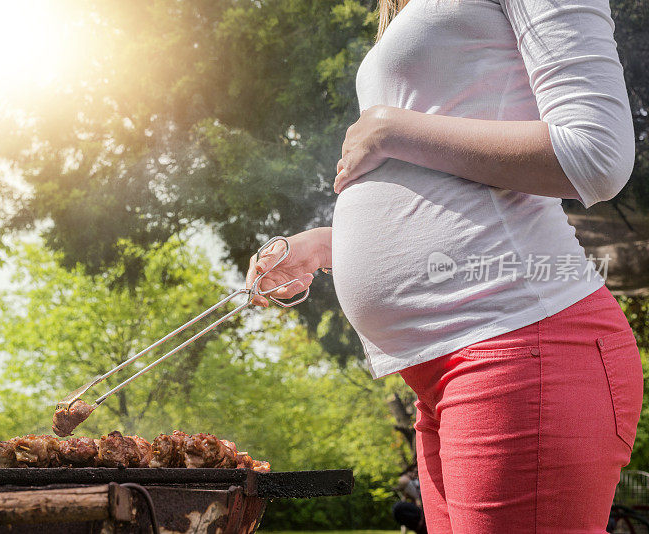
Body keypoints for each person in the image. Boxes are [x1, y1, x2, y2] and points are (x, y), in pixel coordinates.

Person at [245, 0, 643, 531]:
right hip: (444, 373)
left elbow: (597, 155)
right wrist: (331, 244)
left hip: (521, 344)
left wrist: (389, 128)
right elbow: (453, 195)